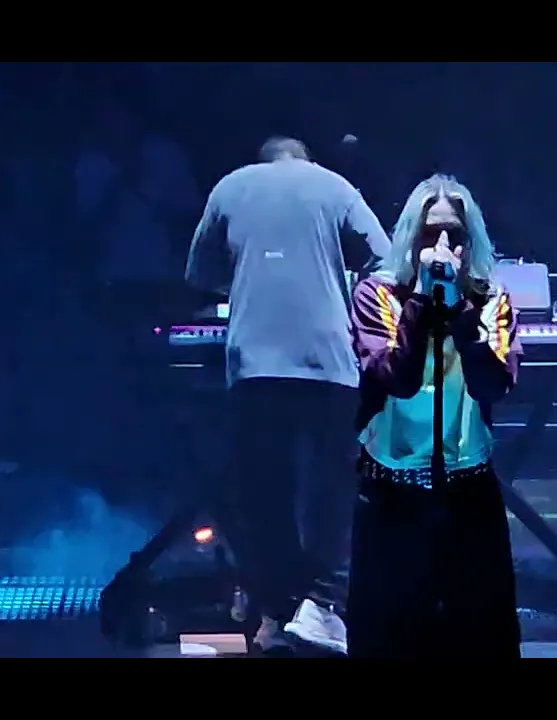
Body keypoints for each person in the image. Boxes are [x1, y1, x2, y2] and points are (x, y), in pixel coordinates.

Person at [184, 136, 390, 656]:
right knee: (332, 492)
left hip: (255, 366)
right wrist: (342, 285)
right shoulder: (335, 186)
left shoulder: (230, 187)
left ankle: (277, 612)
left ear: (264, 160)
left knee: (264, 494)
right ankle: (322, 608)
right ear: (304, 159)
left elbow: (198, 274)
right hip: (328, 363)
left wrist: (249, 280)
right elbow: (386, 262)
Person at [347, 174, 523, 658]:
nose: (442, 247)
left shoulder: (491, 299)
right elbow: (395, 378)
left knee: (482, 640)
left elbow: (494, 384)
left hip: (468, 492)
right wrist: (423, 301)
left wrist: (461, 312)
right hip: (393, 493)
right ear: (411, 237)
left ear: (471, 241)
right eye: (430, 234)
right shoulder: (377, 295)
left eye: (454, 234)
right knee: (388, 641)